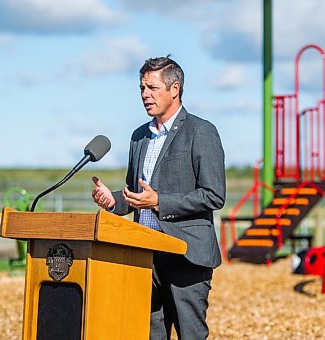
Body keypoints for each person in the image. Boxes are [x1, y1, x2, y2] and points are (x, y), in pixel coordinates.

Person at [91, 56, 226, 339]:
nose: (144, 95)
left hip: (186, 254)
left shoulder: (201, 132)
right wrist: (113, 200)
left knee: (190, 334)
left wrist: (159, 202)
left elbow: (214, 195)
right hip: (145, 257)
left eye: (152, 87)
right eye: (142, 88)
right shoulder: (139, 136)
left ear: (174, 89)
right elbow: (136, 194)